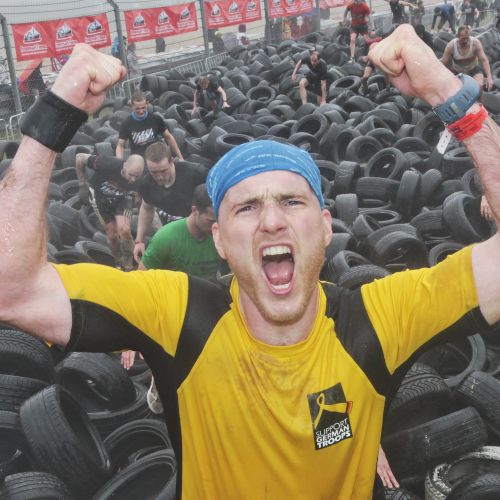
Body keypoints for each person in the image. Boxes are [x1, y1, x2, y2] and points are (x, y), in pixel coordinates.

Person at [2, 28, 500, 497]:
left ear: (326, 226)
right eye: (246, 208)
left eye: (292, 201)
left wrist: (448, 93)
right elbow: (15, 288)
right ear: (219, 239)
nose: (272, 222)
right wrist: (53, 116)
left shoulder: (377, 321)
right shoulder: (178, 315)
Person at [122, 184, 220, 411]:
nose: (215, 226)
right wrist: (131, 335)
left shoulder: (220, 236)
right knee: (165, 385)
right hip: (169, 312)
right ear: (195, 210)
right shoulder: (167, 238)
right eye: (210, 220)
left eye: (219, 221)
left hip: (202, 307)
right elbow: (139, 285)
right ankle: (159, 385)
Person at [133, 141, 207, 263]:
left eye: (163, 171)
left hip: (200, 230)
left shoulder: (196, 173)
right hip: (171, 230)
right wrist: (139, 241)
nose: (159, 177)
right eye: (154, 173)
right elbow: (146, 208)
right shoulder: (146, 183)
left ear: (171, 162)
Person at [75, 152, 144, 270]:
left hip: (122, 198)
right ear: (125, 165)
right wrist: (82, 184)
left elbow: (141, 202)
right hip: (100, 197)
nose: (133, 179)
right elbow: (79, 158)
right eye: (131, 175)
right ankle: (118, 261)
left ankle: (132, 263)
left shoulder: (143, 178)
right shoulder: (107, 163)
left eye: (137, 176)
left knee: (125, 230)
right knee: (112, 235)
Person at [116, 90, 183, 160]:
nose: (141, 111)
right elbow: (120, 146)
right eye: (137, 109)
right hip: (140, 160)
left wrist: (181, 158)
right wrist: (120, 163)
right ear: (132, 106)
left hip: (157, 156)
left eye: (143, 108)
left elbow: (168, 137)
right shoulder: (126, 123)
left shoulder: (156, 118)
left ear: (147, 104)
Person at [441, 25, 493, 90]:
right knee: (453, 89)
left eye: (467, 38)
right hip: (458, 71)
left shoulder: (475, 43)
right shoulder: (451, 46)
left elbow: (484, 60)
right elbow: (444, 62)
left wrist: (489, 77)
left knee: (478, 86)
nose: (465, 41)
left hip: (473, 69)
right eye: (463, 38)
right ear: (458, 37)